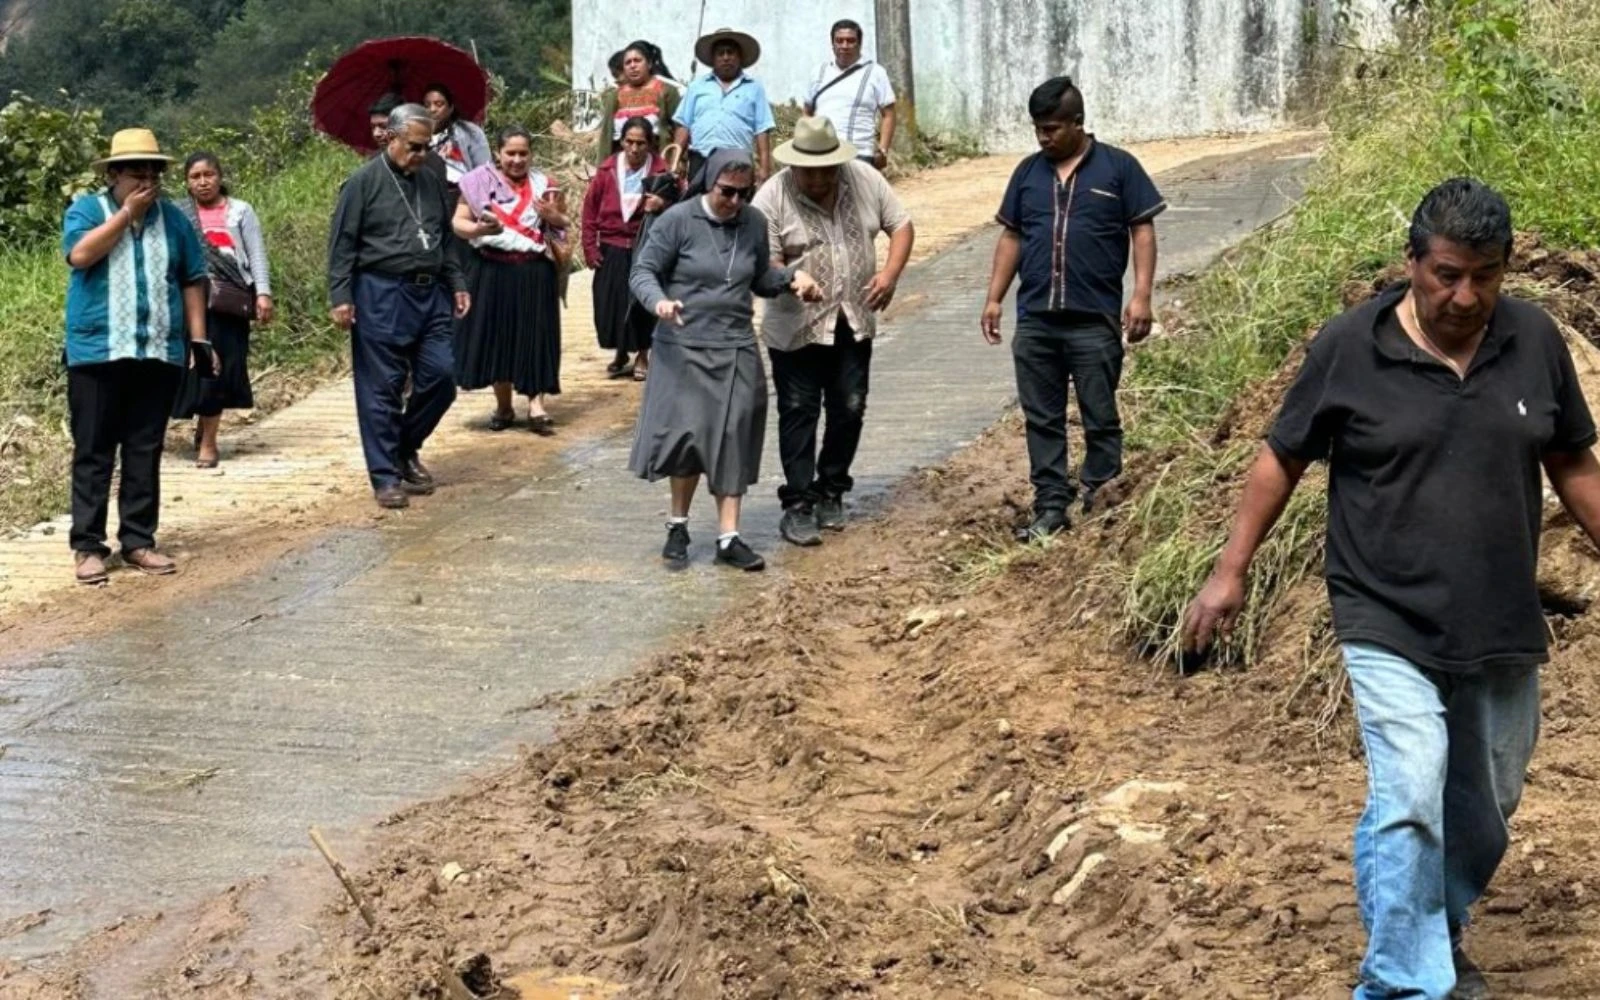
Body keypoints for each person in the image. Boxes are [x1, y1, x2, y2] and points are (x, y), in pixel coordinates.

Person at [1181, 177, 1600, 1000]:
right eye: (1446, 273)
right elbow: (1282, 458)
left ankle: (1432, 926)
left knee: (1489, 800)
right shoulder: (1351, 346)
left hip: (1499, 615)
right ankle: (1405, 982)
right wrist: (1230, 572)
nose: (1464, 294)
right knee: (1411, 788)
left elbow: (1573, 463)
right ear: (1411, 263)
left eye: (1484, 275)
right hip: (1384, 611)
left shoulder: (1535, 341)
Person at [980, 75, 1165, 541]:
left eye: (1052, 128)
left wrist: (1141, 295)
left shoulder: (1119, 169)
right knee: (1041, 418)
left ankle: (1103, 500)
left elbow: (1141, 229)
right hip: (1037, 319)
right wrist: (994, 297)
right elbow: (1013, 236)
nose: (1043, 138)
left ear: (1077, 124)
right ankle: (1050, 508)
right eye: (1038, 129)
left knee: (1099, 414)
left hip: (1093, 320)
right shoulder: (1027, 173)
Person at [628, 149, 822, 572]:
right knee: (686, 437)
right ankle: (678, 525)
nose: (734, 202)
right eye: (726, 192)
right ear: (710, 182)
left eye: (743, 193)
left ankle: (728, 537)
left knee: (734, 436)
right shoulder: (676, 221)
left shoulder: (752, 223)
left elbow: (760, 279)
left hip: (734, 345)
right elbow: (642, 272)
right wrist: (659, 303)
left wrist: (792, 278)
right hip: (682, 347)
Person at [62, 128, 214, 584]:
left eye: (154, 172)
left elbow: (192, 278)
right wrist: (126, 215)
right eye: (136, 172)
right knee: (94, 449)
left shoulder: (174, 219)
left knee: (144, 448)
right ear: (114, 174)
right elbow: (80, 255)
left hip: (156, 350)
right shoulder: (88, 209)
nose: (147, 180)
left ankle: (138, 541)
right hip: (97, 350)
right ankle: (88, 546)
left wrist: (198, 340)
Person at [752, 116, 913, 546]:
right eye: (810, 170)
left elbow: (901, 224)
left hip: (854, 319)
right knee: (799, 409)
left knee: (850, 407)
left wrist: (891, 274)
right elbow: (761, 263)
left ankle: (832, 489)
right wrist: (790, 277)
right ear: (795, 166)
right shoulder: (772, 196)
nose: (819, 178)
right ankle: (799, 503)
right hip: (796, 327)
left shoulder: (863, 178)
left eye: (827, 168)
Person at [327, 103, 471, 510]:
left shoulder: (432, 175)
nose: (421, 154)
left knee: (442, 376)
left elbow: (444, 237)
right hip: (380, 292)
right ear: (391, 137)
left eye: (427, 147)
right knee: (381, 387)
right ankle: (385, 476)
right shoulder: (362, 182)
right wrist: (341, 296)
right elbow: (341, 245)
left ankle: (405, 447)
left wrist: (456, 281)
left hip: (431, 292)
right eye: (414, 146)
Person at [452, 126, 570, 434]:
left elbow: (564, 222)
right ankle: (504, 406)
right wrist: (479, 231)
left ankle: (536, 406)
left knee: (536, 336)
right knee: (498, 337)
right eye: (511, 153)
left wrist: (551, 214)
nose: (517, 160)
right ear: (498, 154)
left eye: (523, 153)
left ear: (531, 154)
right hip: (491, 268)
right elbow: (459, 222)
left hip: (534, 269)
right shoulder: (478, 182)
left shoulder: (546, 184)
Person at [171, 151, 274, 468]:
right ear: (187, 183)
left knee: (217, 368)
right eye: (195, 177)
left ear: (220, 176)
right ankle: (204, 426)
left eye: (208, 175)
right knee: (194, 367)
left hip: (229, 302)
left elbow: (256, 253)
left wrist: (263, 293)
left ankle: (210, 443)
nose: (203, 182)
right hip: (190, 300)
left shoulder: (241, 211)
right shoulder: (179, 214)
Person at [583, 116, 674, 381]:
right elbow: (589, 211)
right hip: (611, 246)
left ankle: (643, 354)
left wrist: (662, 205)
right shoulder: (607, 170)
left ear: (650, 144)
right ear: (621, 142)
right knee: (609, 303)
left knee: (641, 303)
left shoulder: (661, 171)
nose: (634, 149)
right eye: (629, 142)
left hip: (644, 246)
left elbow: (680, 208)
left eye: (641, 143)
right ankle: (621, 351)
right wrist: (590, 247)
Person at [672, 28, 775, 185]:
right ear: (713, 59)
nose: (726, 57)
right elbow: (684, 125)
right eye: (720, 53)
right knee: (697, 207)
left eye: (730, 52)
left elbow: (762, 130)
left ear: (739, 57)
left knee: (735, 206)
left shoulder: (754, 88)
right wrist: (675, 161)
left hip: (738, 162)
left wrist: (765, 169)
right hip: (701, 160)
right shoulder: (696, 86)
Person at [803, 19, 897, 171]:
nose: (844, 46)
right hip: (823, 155)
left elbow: (889, 114)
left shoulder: (875, 73)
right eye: (839, 41)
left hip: (859, 155)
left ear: (859, 43)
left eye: (850, 41)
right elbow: (807, 112)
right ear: (832, 44)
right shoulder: (818, 73)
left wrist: (883, 150)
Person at [595, 40, 682, 167]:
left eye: (637, 60)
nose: (632, 66)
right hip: (622, 166)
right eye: (628, 62)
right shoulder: (614, 96)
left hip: (658, 165)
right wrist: (602, 169)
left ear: (649, 64)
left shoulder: (667, 91)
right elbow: (606, 136)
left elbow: (680, 127)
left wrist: (676, 161)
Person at [423, 82, 491, 188]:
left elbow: (484, 170)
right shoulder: (418, 136)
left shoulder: (470, 132)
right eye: (427, 105)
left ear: (450, 108)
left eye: (439, 104)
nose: (432, 110)